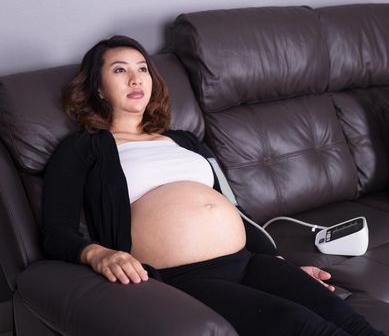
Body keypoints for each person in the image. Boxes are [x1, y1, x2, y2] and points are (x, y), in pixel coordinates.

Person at [42, 35, 385, 336]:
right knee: (304, 326)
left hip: (250, 261)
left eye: (143, 68)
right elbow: (56, 231)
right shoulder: (85, 147)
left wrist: (281, 261)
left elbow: (234, 207)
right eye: (120, 70)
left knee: (350, 321)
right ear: (99, 89)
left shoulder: (186, 141)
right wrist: (97, 253)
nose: (136, 78)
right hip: (183, 277)